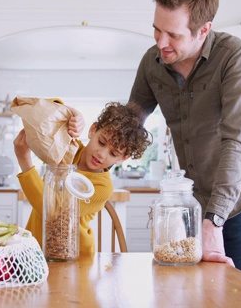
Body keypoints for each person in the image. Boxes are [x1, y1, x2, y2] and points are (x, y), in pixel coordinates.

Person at [128, 0, 241, 279]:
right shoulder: (152, 63)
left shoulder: (234, 57)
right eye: (156, 30)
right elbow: (129, 123)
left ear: (203, 30)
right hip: (194, 201)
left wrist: (214, 219)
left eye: (173, 35)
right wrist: (87, 133)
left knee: (240, 294)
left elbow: (237, 142)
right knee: (194, 289)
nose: (160, 43)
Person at [13, 101, 152, 255]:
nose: (102, 154)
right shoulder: (68, 148)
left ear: (123, 158)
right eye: (101, 142)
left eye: (113, 153)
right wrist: (72, 113)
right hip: (35, 248)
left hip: (72, 256)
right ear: (93, 130)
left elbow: (53, 213)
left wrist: (24, 161)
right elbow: (43, 113)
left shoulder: (102, 187)